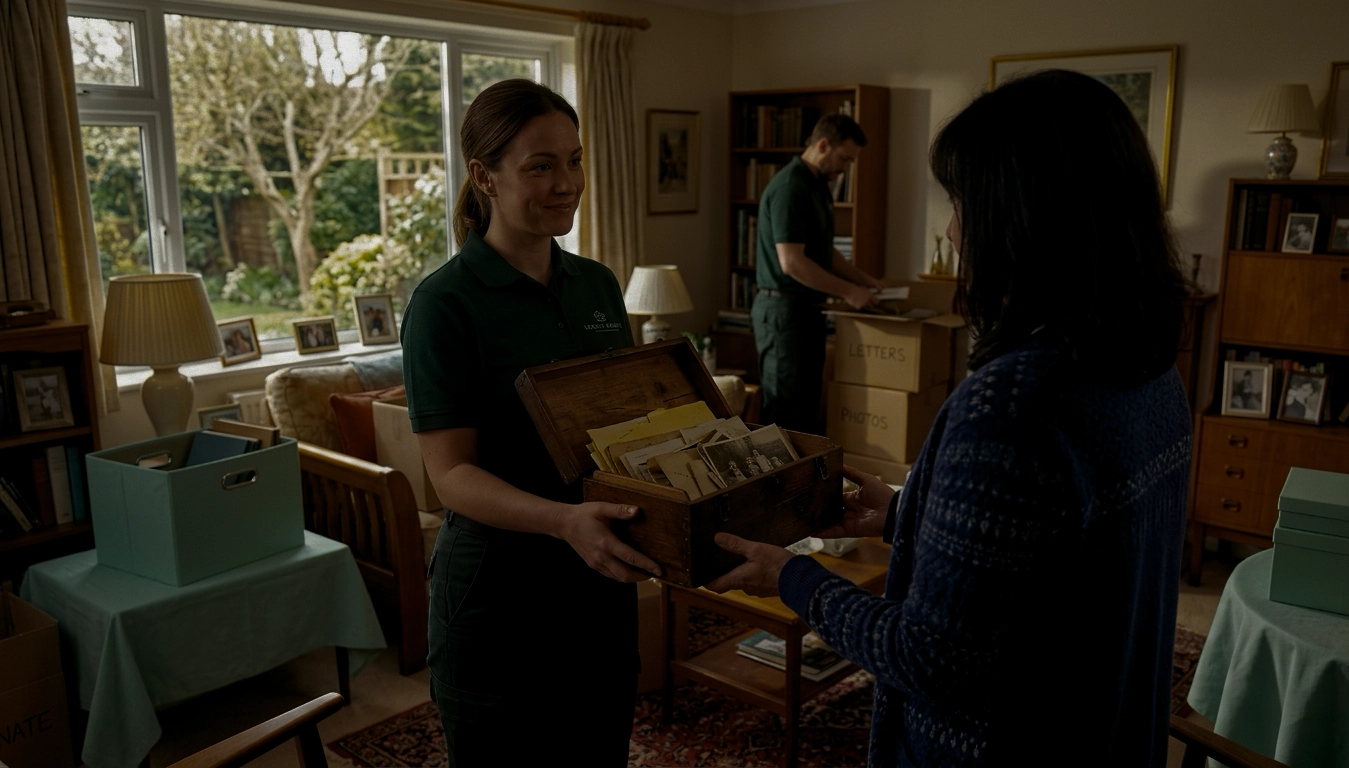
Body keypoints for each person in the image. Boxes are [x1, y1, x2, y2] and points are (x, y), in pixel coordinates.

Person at [708, 70, 1191, 766]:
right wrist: (908, 515)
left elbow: (932, 660)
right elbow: (1053, 555)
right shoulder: (1150, 367)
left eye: (961, 202)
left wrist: (794, 579)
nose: (953, 231)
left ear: (1022, 216)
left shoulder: (1011, 405)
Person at [401, 79, 657, 767]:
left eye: (574, 160)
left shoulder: (599, 285)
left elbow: (627, 429)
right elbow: (451, 475)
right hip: (499, 599)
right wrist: (562, 521)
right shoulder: (444, 304)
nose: (566, 182)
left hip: (598, 585)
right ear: (484, 176)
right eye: (540, 166)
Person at [752, 113, 885, 433]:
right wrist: (849, 292)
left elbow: (823, 252)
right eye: (844, 158)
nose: (845, 168)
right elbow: (793, 262)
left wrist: (861, 279)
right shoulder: (790, 187)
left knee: (809, 411)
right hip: (783, 315)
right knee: (785, 413)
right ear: (823, 145)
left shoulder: (818, 186)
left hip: (809, 312)